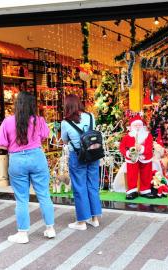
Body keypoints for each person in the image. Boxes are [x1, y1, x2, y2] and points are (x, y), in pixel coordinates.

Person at [0, 91, 55, 244]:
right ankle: (50, 229)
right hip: (37, 157)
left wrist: (13, 145)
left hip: (17, 160)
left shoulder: (8, 121)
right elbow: (45, 136)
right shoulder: (39, 120)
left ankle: (22, 234)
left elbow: (0, 143)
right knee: (43, 194)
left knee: (21, 198)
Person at [61, 94, 101, 230]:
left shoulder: (65, 123)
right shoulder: (90, 116)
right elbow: (92, 133)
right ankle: (94, 218)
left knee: (79, 187)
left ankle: (82, 221)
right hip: (93, 154)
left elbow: (65, 140)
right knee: (92, 185)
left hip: (77, 156)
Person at [119, 114, 155, 200]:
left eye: (139, 125)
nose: (138, 127)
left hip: (145, 157)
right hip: (132, 158)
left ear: (142, 126)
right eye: (135, 125)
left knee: (146, 173)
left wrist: (142, 148)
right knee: (131, 174)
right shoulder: (127, 137)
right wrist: (127, 153)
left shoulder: (148, 135)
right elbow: (122, 147)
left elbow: (150, 147)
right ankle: (132, 191)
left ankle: (145, 190)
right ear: (131, 126)